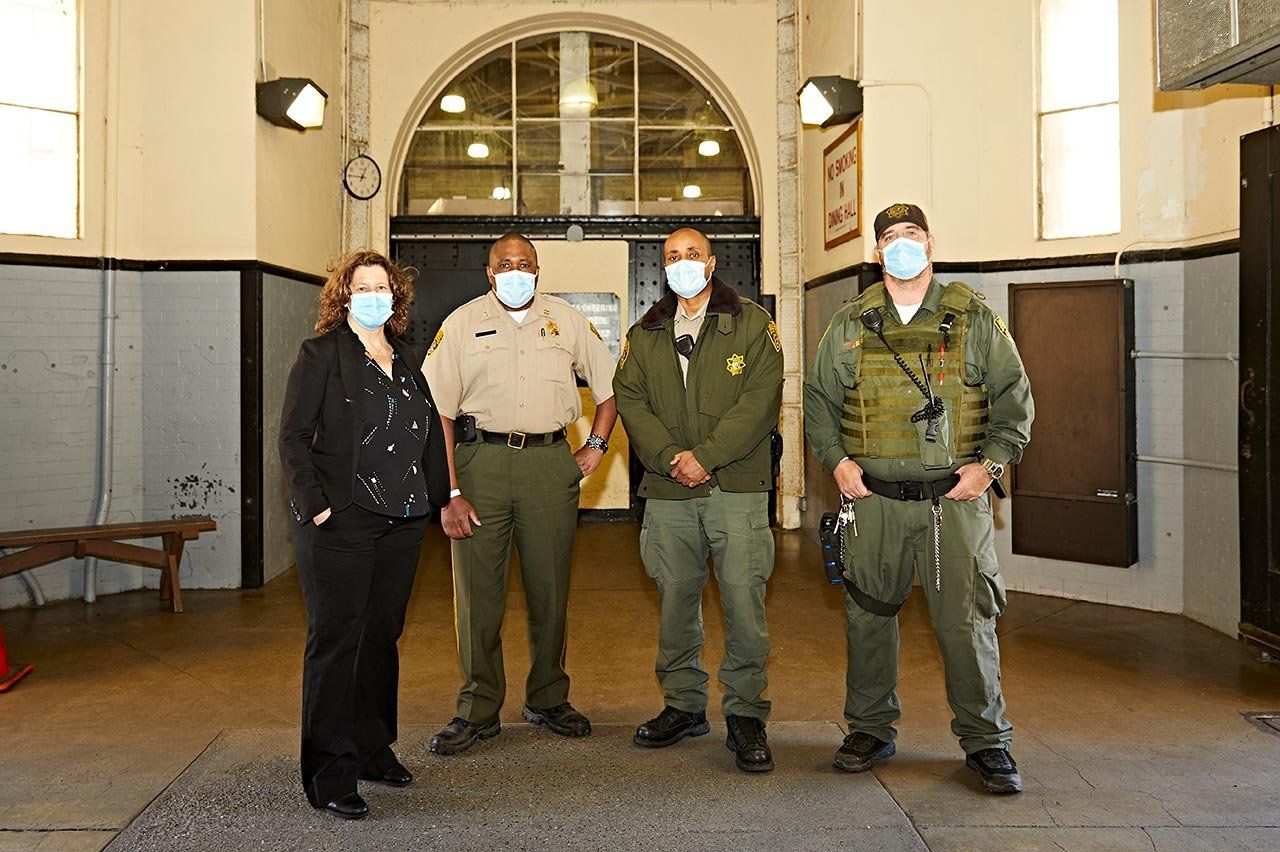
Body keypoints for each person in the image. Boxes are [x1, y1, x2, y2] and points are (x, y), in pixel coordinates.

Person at [803, 203, 1034, 793]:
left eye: (911, 235)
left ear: (930, 243)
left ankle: (987, 741)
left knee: (966, 621)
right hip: (873, 501)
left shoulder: (975, 318)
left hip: (953, 503)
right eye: (889, 238)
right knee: (868, 618)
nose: (901, 245)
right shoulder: (850, 325)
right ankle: (870, 728)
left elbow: (1015, 403)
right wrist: (838, 462)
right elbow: (818, 404)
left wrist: (990, 466)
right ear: (877, 254)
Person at [423, 232, 618, 754]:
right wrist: (451, 490)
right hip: (480, 464)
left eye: (524, 263)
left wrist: (595, 447)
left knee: (550, 591)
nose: (514, 270)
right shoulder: (461, 323)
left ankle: (548, 697)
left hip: (550, 465)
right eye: (504, 264)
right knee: (476, 595)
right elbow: (438, 411)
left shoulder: (567, 321)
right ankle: (478, 707)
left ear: (538, 269)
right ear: (489, 273)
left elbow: (609, 387)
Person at [279, 249, 449, 819]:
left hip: (401, 521)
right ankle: (331, 773)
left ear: (396, 298)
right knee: (337, 643)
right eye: (363, 286)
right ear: (344, 295)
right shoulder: (322, 354)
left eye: (384, 287)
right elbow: (294, 437)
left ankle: (374, 749)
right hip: (343, 518)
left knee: (380, 636)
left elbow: (424, 433)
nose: (374, 294)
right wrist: (316, 507)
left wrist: (438, 497)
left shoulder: (406, 360)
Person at [613, 227, 783, 773]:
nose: (681, 264)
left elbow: (760, 402)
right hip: (667, 492)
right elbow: (631, 401)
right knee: (676, 603)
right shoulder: (646, 332)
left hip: (734, 486)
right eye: (671, 257)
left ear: (711, 262)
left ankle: (746, 714)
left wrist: (705, 455)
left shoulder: (752, 324)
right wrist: (667, 457)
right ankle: (683, 705)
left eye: (692, 255)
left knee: (743, 602)